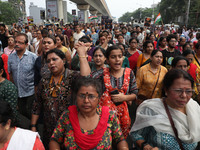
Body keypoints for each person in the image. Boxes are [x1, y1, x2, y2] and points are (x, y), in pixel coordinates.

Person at [75, 44, 138, 138]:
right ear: (107, 60)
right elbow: (86, 78)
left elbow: (135, 93)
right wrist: (82, 54)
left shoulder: (129, 72)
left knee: (121, 141)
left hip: (123, 117)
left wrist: (125, 97)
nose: (117, 59)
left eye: (120, 56)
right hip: (103, 117)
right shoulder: (102, 73)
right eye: (113, 57)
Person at [49, 77, 129, 150]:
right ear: (76, 97)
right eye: (82, 96)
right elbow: (55, 140)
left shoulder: (109, 116)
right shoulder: (67, 116)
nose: (86, 101)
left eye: (91, 96)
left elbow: (120, 140)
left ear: (99, 99)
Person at [130, 69, 200, 150]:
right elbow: (136, 134)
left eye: (188, 91)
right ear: (166, 90)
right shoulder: (151, 109)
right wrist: (146, 146)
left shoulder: (195, 108)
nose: (184, 95)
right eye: (178, 91)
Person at [31, 49, 79, 148]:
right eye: (48, 61)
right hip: (49, 129)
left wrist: (82, 55)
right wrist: (33, 125)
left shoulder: (74, 77)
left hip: (70, 128)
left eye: (54, 59)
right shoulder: (44, 80)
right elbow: (37, 104)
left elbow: (87, 78)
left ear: (64, 61)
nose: (51, 63)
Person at [8, 33, 37, 129]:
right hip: (17, 93)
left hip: (30, 93)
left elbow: (37, 76)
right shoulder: (11, 57)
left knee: (31, 116)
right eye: (16, 42)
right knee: (20, 117)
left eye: (20, 42)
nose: (17, 44)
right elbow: (11, 74)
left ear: (26, 44)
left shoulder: (33, 57)